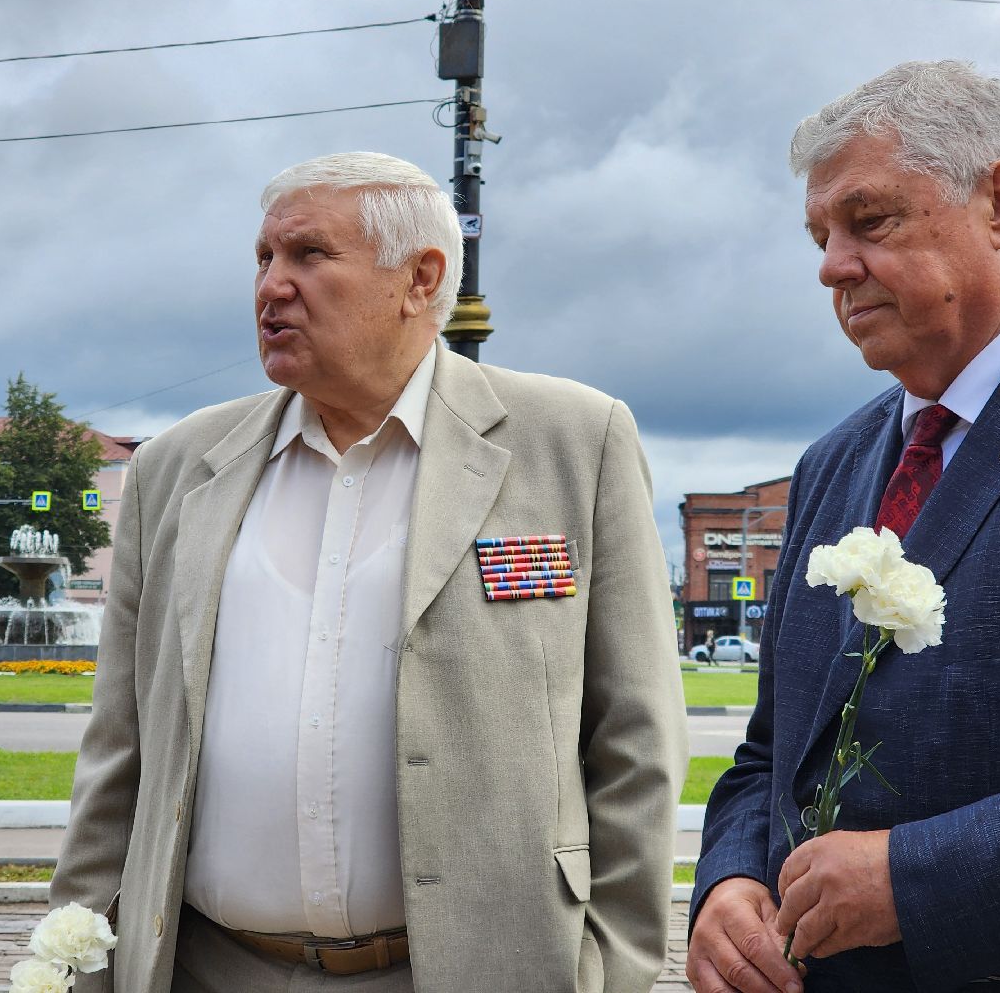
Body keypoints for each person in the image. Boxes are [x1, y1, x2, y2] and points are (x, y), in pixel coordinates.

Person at [50, 152, 688, 993]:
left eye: (309, 256)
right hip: (209, 968)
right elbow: (120, 747)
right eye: (262, 259)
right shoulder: (178, 465)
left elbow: (636, 736)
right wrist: (79, 959)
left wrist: (614, 962)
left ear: (421, 279)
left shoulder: (572, 440)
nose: (272, 286)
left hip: (480, 970)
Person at [686, 61, 1000, 993]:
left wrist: (913, 882)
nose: (831, 264)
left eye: (868, 221)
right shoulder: (835, 461)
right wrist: (730, 884)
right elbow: (770, 752)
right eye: (820, 235)